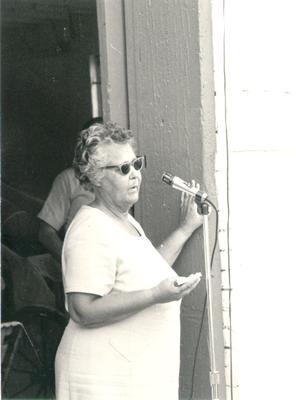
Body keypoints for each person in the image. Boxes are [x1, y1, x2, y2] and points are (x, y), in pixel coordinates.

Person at [54, 122, 203, 400]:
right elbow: (82, 309)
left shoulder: (123, 219)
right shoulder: (89, 228)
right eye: (123, 169)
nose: (135, 174)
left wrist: (186, 228)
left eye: (136, 164)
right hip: (100, 381)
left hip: (128, 376)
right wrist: (156, 295)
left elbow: (147, 270)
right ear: (96, 176)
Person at [37, 118, 103, 261]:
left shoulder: (123, 177)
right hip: (81, 262)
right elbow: (46, 232)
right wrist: (69, 262)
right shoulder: (69, 178)